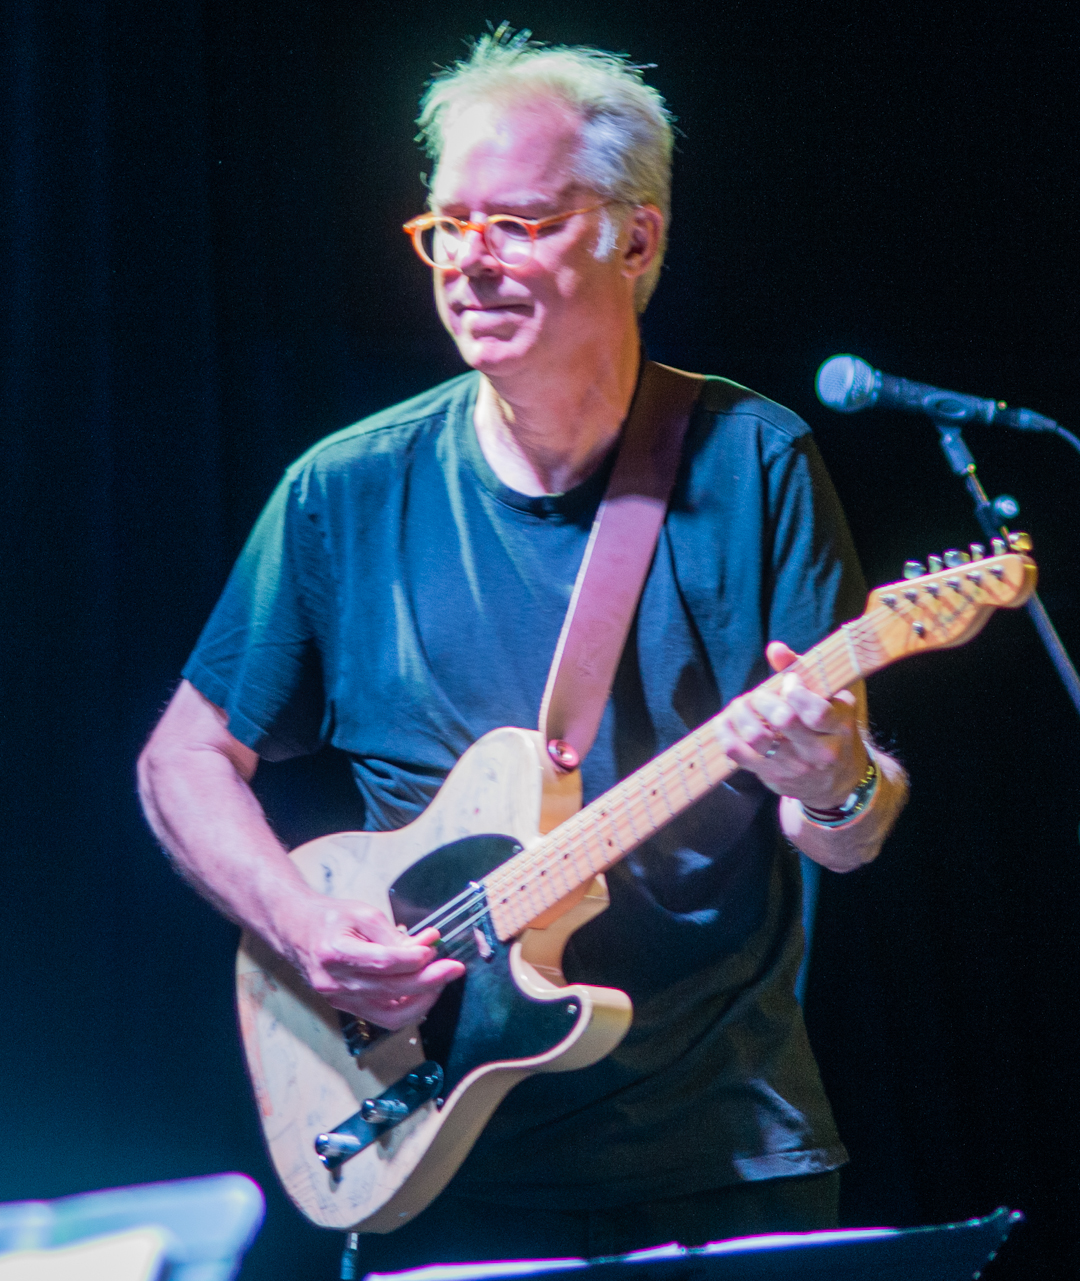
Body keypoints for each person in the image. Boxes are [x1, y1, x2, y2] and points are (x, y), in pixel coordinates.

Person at [137, 32, 907, 1271]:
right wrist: (297, 922)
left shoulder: (754, 462)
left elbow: (849, 831)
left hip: (716, 1149)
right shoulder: (345, 490)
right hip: (423, 1148)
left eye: (522, 222)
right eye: (447, 225)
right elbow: (184, 760)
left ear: (636, 239)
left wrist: (831, 780)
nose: (471, 263)